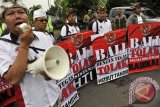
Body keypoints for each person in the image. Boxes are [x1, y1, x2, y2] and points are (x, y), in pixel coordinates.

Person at [0, 1, 60, 107]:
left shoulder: (44, 36)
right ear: (4, 21)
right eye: (10, 13)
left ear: (27, 17)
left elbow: (54, 62)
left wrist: (50, 73)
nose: (17, 16)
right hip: (32, 104)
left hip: (54, 97)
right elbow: (12, 79)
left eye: (21, 12)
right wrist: (24, 45)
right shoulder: (2, 45)